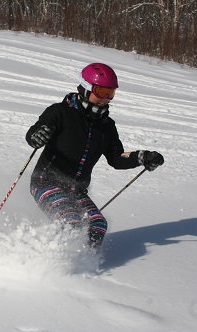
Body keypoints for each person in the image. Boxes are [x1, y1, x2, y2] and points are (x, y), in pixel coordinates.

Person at [25, 63, 164, 252]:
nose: (105, 98)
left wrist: (142, 157)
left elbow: (117, 157)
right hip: (46, 182)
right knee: (70, 221)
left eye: (111, 93)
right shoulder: (60, 112)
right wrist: (37, 136)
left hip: (76, 190)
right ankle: (51, 261)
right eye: (101, 91)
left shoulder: (106, 126)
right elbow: (33, 134)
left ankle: (87, 264)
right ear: (86, 88)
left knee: (98, 224)